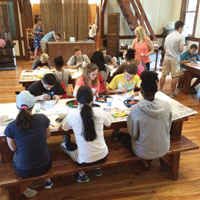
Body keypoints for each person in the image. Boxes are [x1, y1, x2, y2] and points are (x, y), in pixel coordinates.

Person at [114, 71, 172, 168]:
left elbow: (133, 134)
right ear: (156, 90)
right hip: (164, 148)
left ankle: (145, 159)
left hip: (143, 151)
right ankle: (148, 158)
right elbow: (168, 128)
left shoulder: (136, 109)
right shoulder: (167, 105)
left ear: (140, 90)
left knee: (120, 135)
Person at [4, 91, 52, 198]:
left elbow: (13, 149)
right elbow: (47, 136)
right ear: (33, 105)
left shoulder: (11, 126)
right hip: (45, 165)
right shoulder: (42, 118)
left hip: (24, 170)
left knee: (15, 155)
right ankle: (47, 179)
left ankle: (22, 188)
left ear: (17, 106)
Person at [59, 86, 111, 182]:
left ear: (77, 100)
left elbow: (63, 128)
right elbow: (109, 124)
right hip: (103, 155)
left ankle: (82, 173)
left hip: (85, 160)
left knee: (63, 146)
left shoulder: (73, 115)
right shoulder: (99, 111)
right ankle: (97, 169)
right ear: (93, 99)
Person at [160, 21, 185, 98]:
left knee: (163, 75)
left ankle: (160, 90)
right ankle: (172, 92)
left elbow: (165, 48)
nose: (183, 29)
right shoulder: (181, 37)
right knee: (174, 76)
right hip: (175, 58)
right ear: (180, 27)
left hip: (167, 57)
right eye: (183, 27)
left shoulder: (168, 36)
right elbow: (181, 50)